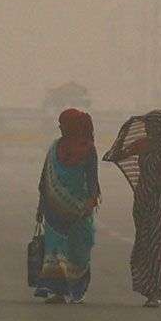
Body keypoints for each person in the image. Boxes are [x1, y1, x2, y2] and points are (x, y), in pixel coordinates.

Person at [103, 109, 161, 307]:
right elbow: (114, 156)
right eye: (148, 126)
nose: (150, 129)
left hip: (160, 201)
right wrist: (124, 138)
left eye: (154, 126)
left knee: (156, 245)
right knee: (143, 243)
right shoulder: (142, 144)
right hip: (142, 198)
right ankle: (146, 286)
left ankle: (155, 291)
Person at [34, 109, 100, 304]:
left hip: (79, 209)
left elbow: (93, 179)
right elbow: (44, 179)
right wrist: (40, 207)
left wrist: (90, 202)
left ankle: (77, 289)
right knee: (55, 250)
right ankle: (58, 292)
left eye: (63, 124)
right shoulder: (55, 147)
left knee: (78, 249)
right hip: (53, 209)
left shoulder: (88, 149)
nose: (60, 127)